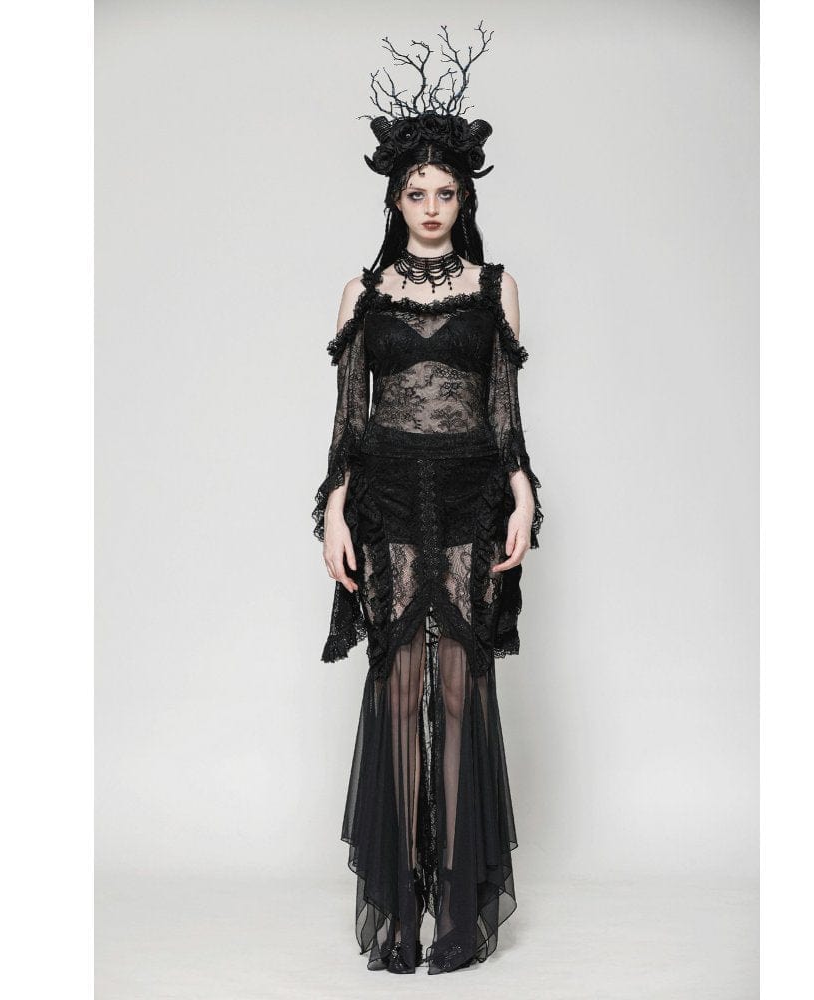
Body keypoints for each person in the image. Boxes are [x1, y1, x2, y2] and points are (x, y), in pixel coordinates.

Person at [311, 22, 544, 975]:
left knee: (460, 684)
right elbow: (345, 422)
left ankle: (455, 904)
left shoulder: (498, 286)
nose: (433, 206)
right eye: (418, 192)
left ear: (465, 198)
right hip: (389, 499)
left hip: (473, 494)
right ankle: (400, 912)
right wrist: (333, 511)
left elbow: (506, 411)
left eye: (447, 192)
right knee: (399, 681)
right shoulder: (361, 293)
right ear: (395, 198)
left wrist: (524, 499)